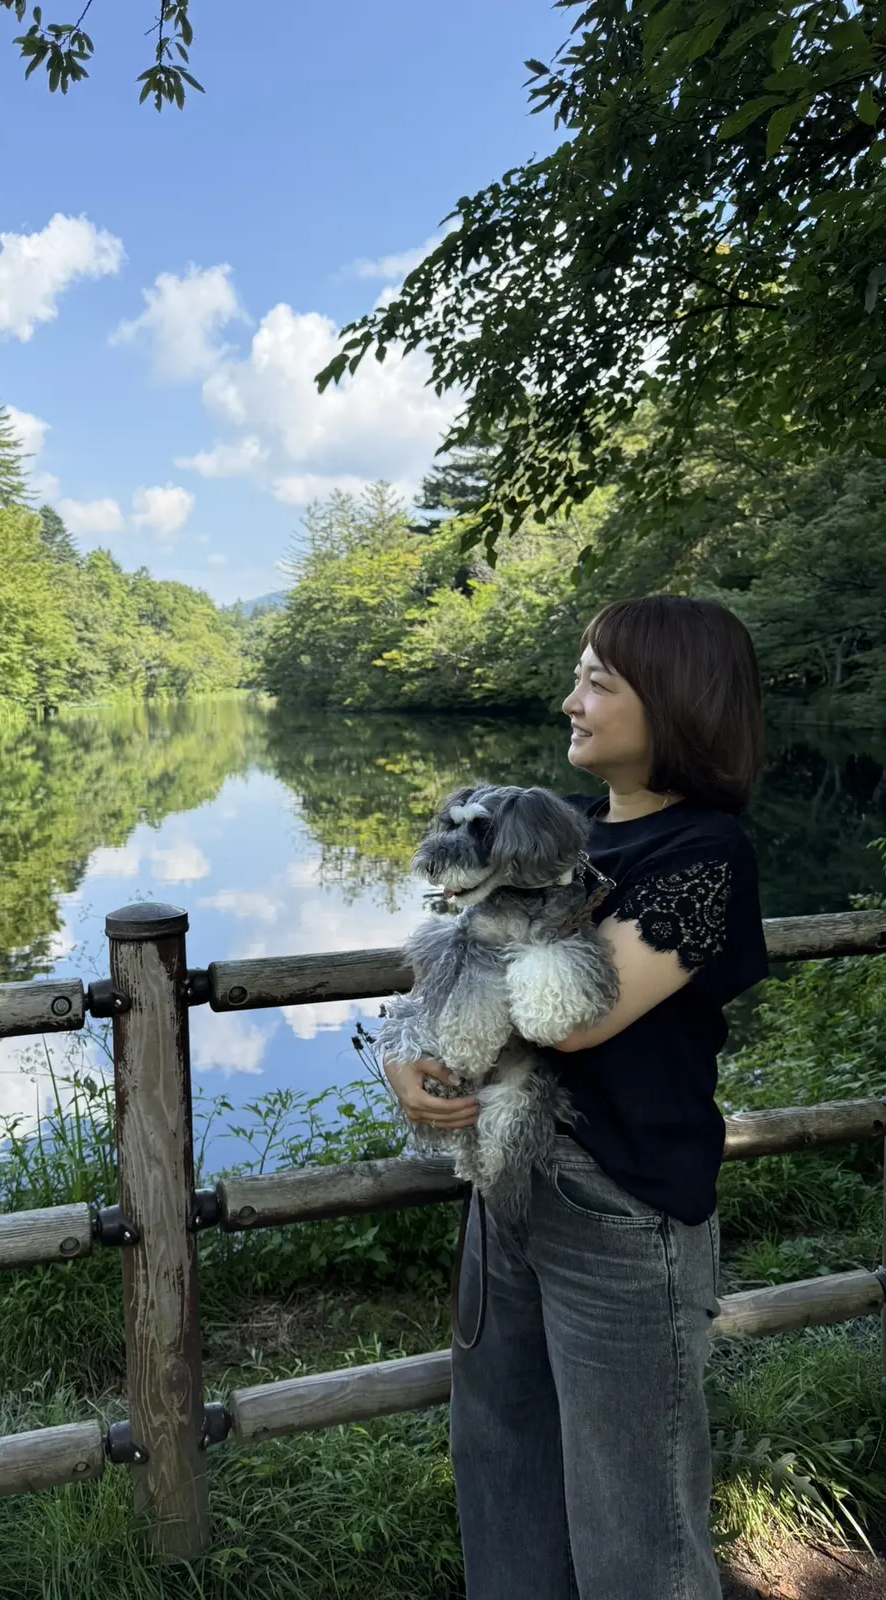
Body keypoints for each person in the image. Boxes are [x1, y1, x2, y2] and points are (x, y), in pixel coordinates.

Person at [382, 594, 769, 1600]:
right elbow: (440, 973)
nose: (572, 699)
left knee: (633, 1527)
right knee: (503, 1477)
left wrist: (460, 961)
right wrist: (402, 1051)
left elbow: (569, 1016)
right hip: (506, 1188)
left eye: (600, 680)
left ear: (675, 704)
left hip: (623, 1213)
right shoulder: (565, 834)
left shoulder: (704, 853)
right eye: (579, 675)